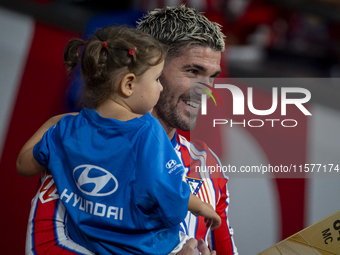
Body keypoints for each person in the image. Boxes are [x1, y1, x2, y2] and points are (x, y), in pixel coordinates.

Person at [22, 5, 237, 255]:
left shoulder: (208, 167)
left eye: (212, 77)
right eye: (193, 71)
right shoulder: (79, 141)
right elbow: (44, 249)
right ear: (142, 70)